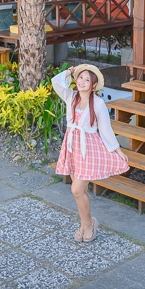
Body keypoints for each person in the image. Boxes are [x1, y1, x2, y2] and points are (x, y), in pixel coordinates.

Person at [52, 64, 129, 243]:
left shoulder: (98, 103)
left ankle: (89, 224)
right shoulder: (71, 96)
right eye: (80, 78)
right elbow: (55, 82)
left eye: (87, 80)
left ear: (94, 85)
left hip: (88, 148)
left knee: (76, 189)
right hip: (72, 146)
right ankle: (84, 224)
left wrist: (117, 149)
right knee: (81, 191)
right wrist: (70, 72)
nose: (82, 82)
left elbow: (105, 128)